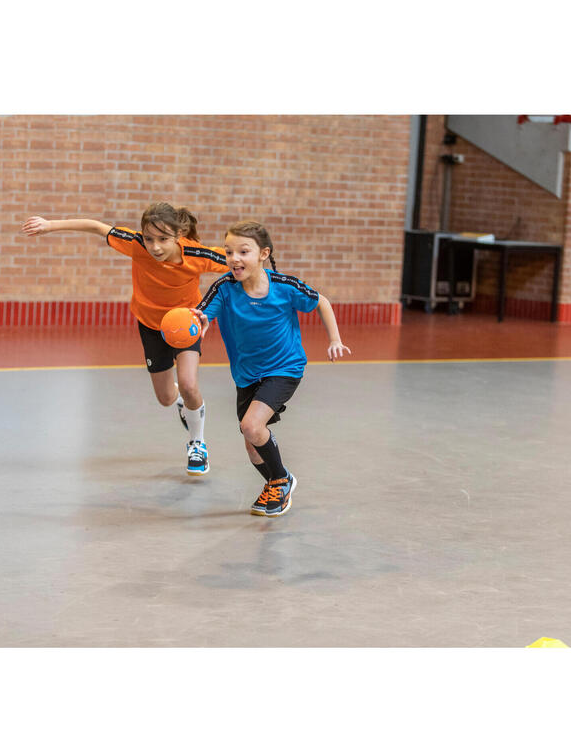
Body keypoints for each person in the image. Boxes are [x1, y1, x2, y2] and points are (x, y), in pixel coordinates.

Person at [21, 203, 228, 475]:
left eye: (163, 240)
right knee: (167, 398)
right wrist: (50, 225)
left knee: (189, 384)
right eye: (149, 238)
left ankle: (197, 444)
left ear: (179, 235)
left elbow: (239, 264)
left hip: (185, 324)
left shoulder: (198, 255)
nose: (154, 247)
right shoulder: (135, 245)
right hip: (151, 326)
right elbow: (96, 226)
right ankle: (180, 403)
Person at [193, 220, 351, 517]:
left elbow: (321, 301)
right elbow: (202, 314)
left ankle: (279, 481)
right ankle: (280, 481)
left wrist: (335, 339)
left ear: (263, 253)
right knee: (252, 444)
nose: (234, 259)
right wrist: (195, 324)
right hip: (246, 373)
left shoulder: (284, 286)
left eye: (243, 251)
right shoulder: (224, 288)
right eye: (229, 252)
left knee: (251, 426)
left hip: (284, 367)